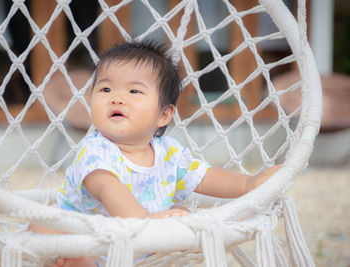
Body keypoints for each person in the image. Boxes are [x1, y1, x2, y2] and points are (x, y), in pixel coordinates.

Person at [29, 40, 281, 266]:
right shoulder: (95, 148)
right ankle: (82, 263)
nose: (116, 98)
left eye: (134, 91)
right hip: (90, 240)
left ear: (164, 115)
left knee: (186, 219)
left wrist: (248, 184)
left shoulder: (168, 153)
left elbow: (205, 177)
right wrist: (146, 221)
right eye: (105, 90)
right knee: (42, 226)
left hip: (143, 252)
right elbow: (106, 187)